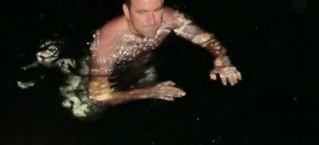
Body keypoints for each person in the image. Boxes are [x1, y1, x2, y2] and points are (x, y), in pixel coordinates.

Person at [88, 0, 242, 106]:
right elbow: (98, 96)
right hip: (104, 71)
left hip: (142, 64)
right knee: (86, 111)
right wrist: (149, 92)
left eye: (157, 10)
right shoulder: (108, 40)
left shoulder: (169, 18)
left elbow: (205, 39)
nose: (152, 21)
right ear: (127, 12)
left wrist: (222, 59)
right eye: (142, 12)